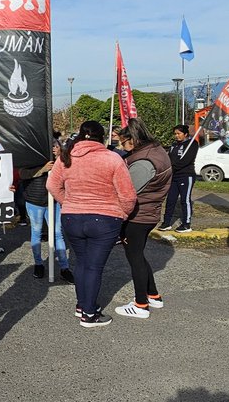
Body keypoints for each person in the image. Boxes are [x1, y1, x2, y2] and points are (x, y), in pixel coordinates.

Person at [47, 121, 137, 327]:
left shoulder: (67, 156)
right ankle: (89, 314)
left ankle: (82, 305)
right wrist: (122, 213)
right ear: (102, 137)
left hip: (71, 217)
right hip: (104, 218)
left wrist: (66, 202)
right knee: (94, 267)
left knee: (82, 262)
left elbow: (52, 184)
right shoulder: (112, 158)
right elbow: (128, 195)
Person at [114, 119, 172, 319]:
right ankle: (153, 295)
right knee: (138, 255)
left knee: (135, 258)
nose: (122, 147)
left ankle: (140, 304)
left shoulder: (144, 162)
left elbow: (127, 192)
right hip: (149, 212)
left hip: (139, 215)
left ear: (134, 139)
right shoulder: (156, 150)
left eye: (124, 142)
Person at [20, 139, 73, 282]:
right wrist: (42, 169)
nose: (54, 148)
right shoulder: (32, 158)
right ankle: (38, 264)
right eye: (52, 146)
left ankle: (64, 268)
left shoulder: (63, 160)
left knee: (57, 233)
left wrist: (59, 163)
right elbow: (23, 174)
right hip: (35, 201)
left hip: (54, 202)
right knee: (36, 233)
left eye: (57, 146)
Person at [159, 124, 198, 233]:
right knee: (171, 199)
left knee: (185, 199)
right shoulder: (174, 145)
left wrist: (173, 167)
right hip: (174, 175)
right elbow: (169, 158)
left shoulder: (192, 144)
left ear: (185, 134)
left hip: (186, 175)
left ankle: (186, 224)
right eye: (175, 134)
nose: (176, 136)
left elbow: (186, 160)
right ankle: (166, 222)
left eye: (179, 134)